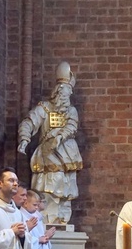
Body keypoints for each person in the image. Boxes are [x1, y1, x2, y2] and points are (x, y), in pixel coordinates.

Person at [17, 61, 83, 224]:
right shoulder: (44, 108)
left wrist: (60, 137)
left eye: (68, 94)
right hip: (49, 154)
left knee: (67, 189)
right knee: (50, 187)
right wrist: (24, 139)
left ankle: (62, 218)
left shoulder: (71, 111)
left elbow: (71, 127)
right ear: (56, 92)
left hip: (68, 154)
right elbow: (29, 122)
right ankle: (47, 218)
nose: (64, 97)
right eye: (62, 93)